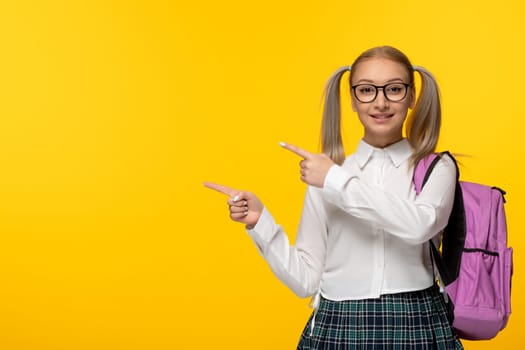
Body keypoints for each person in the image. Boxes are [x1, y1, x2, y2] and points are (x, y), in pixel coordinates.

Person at [205, 45, 463, 349]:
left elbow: (420, 225)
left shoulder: (437, 167)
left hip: (416, 320)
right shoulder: (327, 173)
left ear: (411, 96)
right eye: (366, 90)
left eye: (394, 89)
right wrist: (260, 222)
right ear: (352, 100)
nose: (380, 102)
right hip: (339, 321)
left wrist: (335, 181)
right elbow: (306, 281)